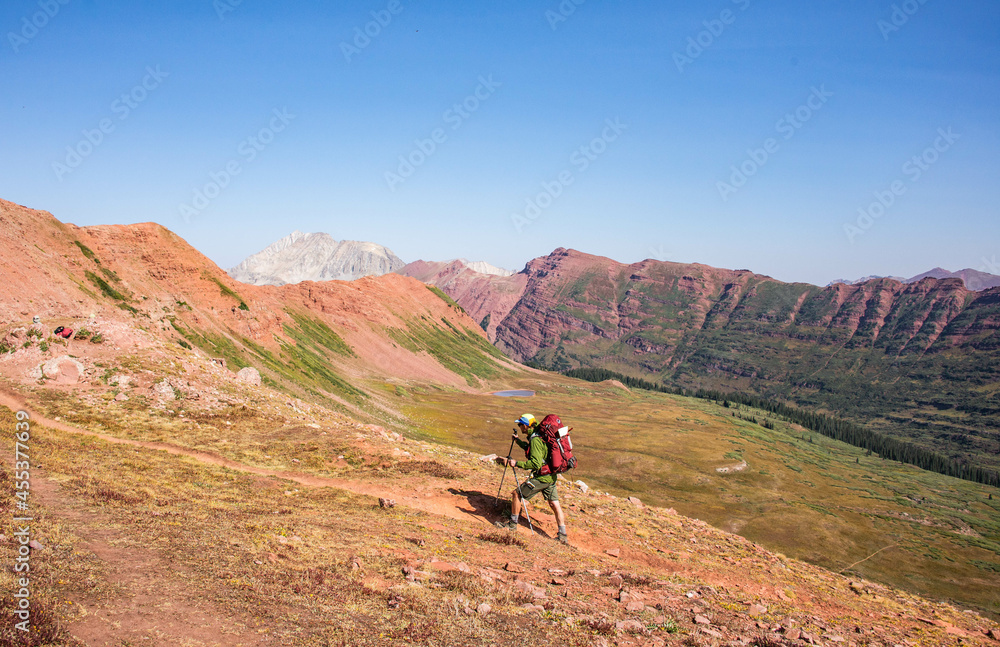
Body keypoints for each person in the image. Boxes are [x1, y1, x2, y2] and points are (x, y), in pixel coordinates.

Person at [495, 414, 568, 544]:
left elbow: (535, 463)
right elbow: (534, 450)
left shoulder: (535, 439)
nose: (519, 427)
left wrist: (516, 463)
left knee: (516, 494)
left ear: (526, 425)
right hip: (550, 476)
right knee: (554, 504)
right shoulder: (540, 435)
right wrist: (518, 442)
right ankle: (563, 536)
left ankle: (512, 525)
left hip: (541, 478)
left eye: (520, 424)